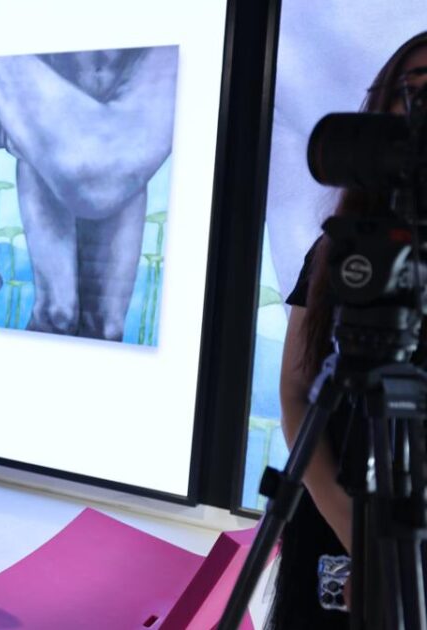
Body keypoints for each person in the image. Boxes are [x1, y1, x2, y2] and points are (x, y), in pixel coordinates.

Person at [273, 31, 427, 629]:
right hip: (333, 528)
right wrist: (346, 522)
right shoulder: (339, 251)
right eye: (410, 92)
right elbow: (297, 391)